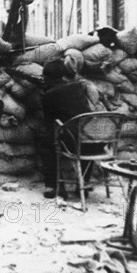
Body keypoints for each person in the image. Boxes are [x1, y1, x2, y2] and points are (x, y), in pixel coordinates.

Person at [40, 59, 102, 199]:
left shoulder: (48, 96)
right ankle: (83, 183)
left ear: (47, 78)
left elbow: (50, 123)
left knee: (45, 142)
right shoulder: (78, 87)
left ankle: (54, 186)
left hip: (73, 144)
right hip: (95, 143)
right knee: (83, 135)